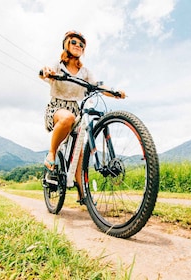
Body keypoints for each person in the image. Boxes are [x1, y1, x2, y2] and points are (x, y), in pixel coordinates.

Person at [39, 30, 125, 201]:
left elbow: (97, 85)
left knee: (78, 154)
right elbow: (44, 72)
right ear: (66, 44)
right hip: (57, 107)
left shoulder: (85, 72)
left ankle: (82, 195)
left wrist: (114, 92)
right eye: (74, 42)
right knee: (67, 118)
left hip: (76, 110)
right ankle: (51, 153)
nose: (78, 46)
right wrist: (46, 71)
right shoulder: (58, 65)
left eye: (81, 44)